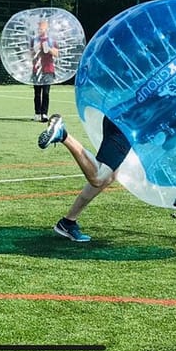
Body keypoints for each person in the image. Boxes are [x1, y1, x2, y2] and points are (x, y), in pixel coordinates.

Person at [37, 113, 131, 242]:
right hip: (128, 124)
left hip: (119, 116)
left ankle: (67, 223)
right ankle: (63, 135)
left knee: (109, 176)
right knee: (98, 178)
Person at [30, 19, 59, 122]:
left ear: (46, 28)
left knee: (46, 93)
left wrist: (48, 49)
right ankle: (37, 113)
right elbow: (31, 54)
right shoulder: (34, 40)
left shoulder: (51, 40)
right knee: (37, 93)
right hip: (37, 69)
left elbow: (56, 53)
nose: (40, 30)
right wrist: (36, 50)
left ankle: (44, 114)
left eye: (41, 28)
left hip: (48, 69)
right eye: (38, 28)